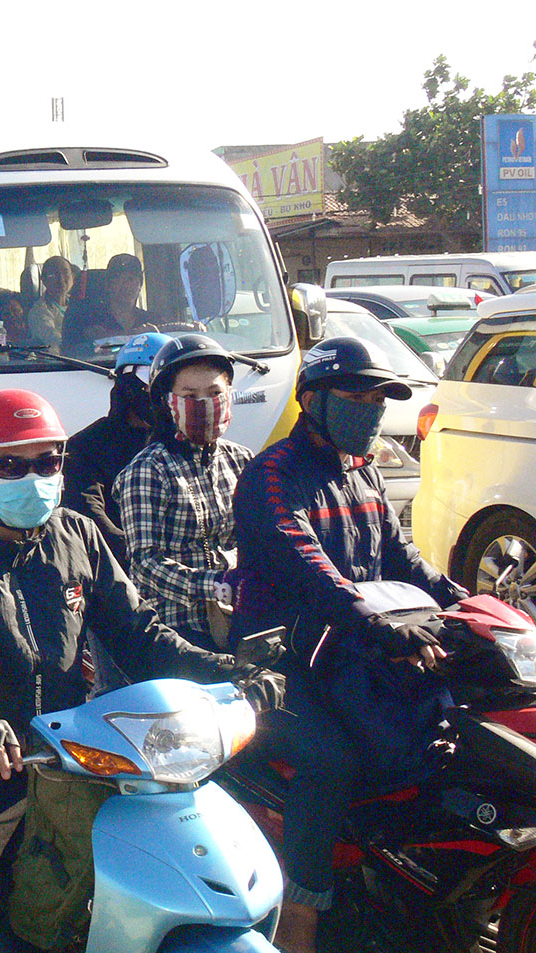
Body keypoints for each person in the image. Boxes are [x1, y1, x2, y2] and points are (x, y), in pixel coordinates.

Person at [0, 388, 280, 953]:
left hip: (74, 761)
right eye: (12, 464)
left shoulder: (79, 536)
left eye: (47, 461)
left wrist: (226, 668)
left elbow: (138, 632)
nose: (34, 476)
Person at [230, 337, 466, 953]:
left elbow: (400, 555)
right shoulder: (272, 476)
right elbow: (307, 565)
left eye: (379, 398)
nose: (372, 409)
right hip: (283, 665)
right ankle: (302, 914)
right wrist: (376, 622)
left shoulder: (363, 472)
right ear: (312, 400)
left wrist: (466, 602)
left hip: (355, 652)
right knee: (332, 760)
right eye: (357, 396)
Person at [114, 334, 252, 648]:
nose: (204, 404)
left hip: (241, 618)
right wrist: (216, 584)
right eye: (190, 395)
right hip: (176, 629)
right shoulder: (148, 470)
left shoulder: (242, 460)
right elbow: (145, 564)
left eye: (215, 393)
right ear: (167, 402)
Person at [63, 332, 171, 564]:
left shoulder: (181, 442)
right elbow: (87, 510)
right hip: (116, 568)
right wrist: (137, 554)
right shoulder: (86, 445)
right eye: (149, 377)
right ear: (126, 383)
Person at [73, 253, 154, 340]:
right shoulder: (89, 320)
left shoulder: (150, 320)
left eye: (131, 279)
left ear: (140, 285)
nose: (126, 285)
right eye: (119, 279)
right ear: (108, 285)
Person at [24, 256, 74, 349]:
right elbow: (54, 340)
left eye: (65, 272)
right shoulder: (39, 311)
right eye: (53, 275)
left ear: (73, 276)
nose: (61, 279)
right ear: (44, 280)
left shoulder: (77, 303)